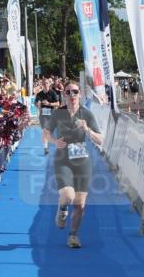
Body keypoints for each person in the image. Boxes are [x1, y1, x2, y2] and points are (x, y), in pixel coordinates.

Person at [44, 81, 103, 249]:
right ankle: (62, 209)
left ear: (80, 94)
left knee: (80, 204)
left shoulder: (87, 114)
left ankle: (73, 236)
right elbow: (46, 132)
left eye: (75, 92)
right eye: (68, 92)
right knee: (68, 196)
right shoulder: (57, 113)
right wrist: (54, 141)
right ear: (64, 95)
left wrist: (88, 131)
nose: (72, 95)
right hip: (63, 159)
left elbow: (100, 139)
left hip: (82, 161)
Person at [35, 80, 61, 154]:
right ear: (42, 85)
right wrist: (37, 104)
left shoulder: (53, 93)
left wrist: (49, 103)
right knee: (44, 130)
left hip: (51, 114)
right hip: (43, 115)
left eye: (46, 83)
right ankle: (45, 148)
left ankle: (54, 144)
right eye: (44, 83)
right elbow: (35, 103)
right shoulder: (39, 94)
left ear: (49, 84)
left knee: (50, 131)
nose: (45, 85)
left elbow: (58, 103)